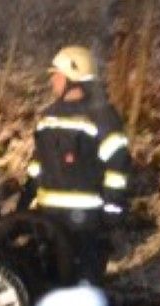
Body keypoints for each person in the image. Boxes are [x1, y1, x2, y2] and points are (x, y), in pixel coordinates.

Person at [20, 46, 132, 282]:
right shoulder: (48, 118)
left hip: (87, 228)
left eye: (57, 75)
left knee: (83, 289)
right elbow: (37, 167)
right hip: (49, 224)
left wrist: (112, 218)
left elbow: (118, 172)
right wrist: (25, 205)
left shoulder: (103, 119)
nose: (52, 80)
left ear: (73, 77)